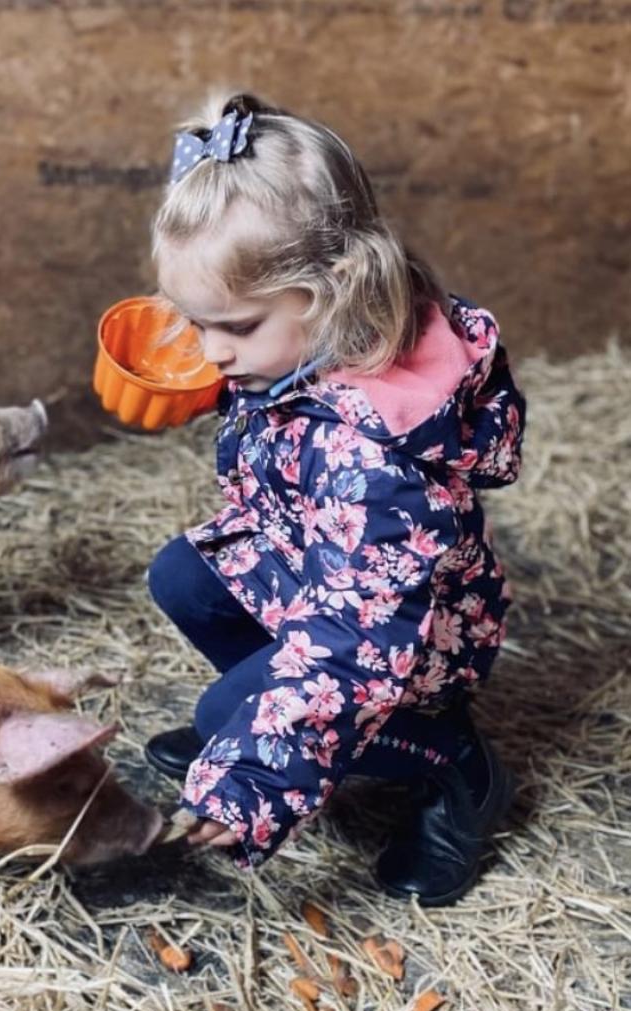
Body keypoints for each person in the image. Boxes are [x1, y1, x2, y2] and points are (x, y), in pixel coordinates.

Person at [144, 91, 525, 906]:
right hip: (320, 569)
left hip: (406, 641)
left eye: (232, 327)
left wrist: (252, 766)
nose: (211, 351)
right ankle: (279, 721)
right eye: (193, 322)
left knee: (226, 720)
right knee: (182, 574)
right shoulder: (308, 345)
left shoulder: (376, 456)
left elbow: (357, 640)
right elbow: (281, 416)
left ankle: (455, 767)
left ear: (330, 292)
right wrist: (209, 380)